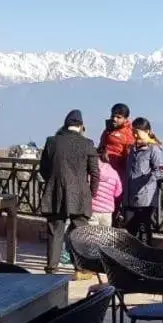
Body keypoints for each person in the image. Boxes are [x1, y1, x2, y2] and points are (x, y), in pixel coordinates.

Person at [39, 109, 100, 277]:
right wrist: (91, 193)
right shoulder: (88, 144)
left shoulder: (51, 142)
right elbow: (94, 173)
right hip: (80, 194)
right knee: (80, 233)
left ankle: (51, 269)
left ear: (65, 125)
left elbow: (44, 169)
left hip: (55, 192)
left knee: (55, 231)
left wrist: (55, 183)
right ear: (81, 126)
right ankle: (80, 268)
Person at [124, 117, 163, 243]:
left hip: (145, 197)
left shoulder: (153, 149)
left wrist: (147, 179)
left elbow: (159, 171)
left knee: (144, 230)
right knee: (130, 228)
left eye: (138, 132)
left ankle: (146, 258)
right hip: (130, 195)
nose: (135, 135)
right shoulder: (132, 149)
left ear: (147, 131)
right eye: (133, 132)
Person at [91, 156, 123, 227]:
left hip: (93, 209)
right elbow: (118, 193)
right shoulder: (114, 173)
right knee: (105, 235)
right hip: (107, 211)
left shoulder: (92, 172)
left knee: (92, 235)